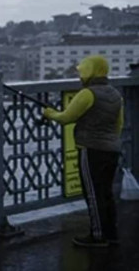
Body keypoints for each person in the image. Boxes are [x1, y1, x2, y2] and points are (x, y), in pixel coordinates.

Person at [43, 55, 125, 248]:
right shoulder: (115, 94)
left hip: (91, 149)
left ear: (90, 71)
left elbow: (66, 118)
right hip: (112, 149)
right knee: (106, 192)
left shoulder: (87, 94)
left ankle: (97, 236)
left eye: (82, 72)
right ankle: (111, 233)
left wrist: (49, 113)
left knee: (93, 193)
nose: (80, 76)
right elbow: (119, 125)